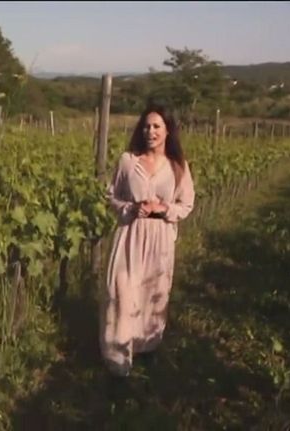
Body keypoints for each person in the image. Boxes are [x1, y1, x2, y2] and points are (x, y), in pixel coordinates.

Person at [99, 103, 195, 377]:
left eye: (156, 126)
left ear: (167, 131)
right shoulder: (127, 161)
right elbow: (113, 196)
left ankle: (145, 348)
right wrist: (131, 208)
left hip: (160, 239)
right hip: (130, 235)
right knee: (121, 292)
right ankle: (118, 362)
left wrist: (163, 208)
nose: (150, 131)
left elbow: (186, 204)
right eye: (146, 126)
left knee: (152, 294)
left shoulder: (178, 167)